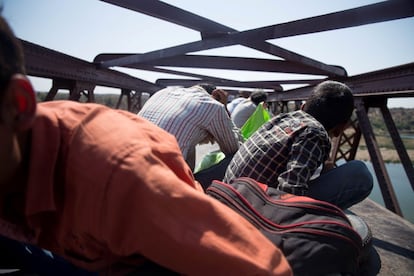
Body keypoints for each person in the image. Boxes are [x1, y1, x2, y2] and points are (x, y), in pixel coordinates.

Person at [0, 16, 293, 275]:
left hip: (126, 210)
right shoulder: (117, 175)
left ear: (19, 104)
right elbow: (233, 151)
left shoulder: (165, 94)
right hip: (132, 198)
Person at [224, 81, 373, 210]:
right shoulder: (314, 133)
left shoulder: (282, 118)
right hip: (250, 212)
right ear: (341, 128)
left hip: (230, 197)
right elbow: (290, 190)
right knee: (359, 173)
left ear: (302, 107)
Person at [138, 83, 243, 171]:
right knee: (235, 159)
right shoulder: (213, 105)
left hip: (127, 161)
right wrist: (224, 110)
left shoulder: (162, 93)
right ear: (215, 96)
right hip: (159, 177)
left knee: (189, 143)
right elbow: (234, 149)